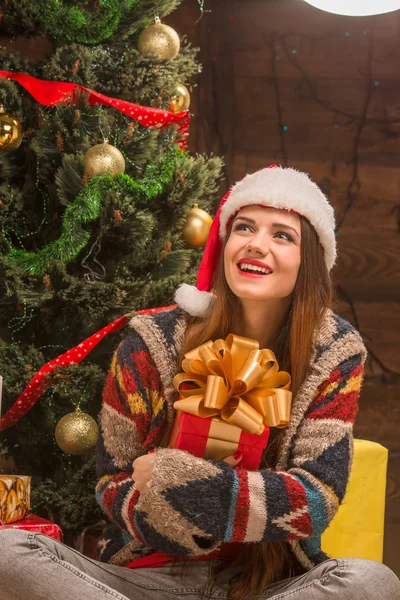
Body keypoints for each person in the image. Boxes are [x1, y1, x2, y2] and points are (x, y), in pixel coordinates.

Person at [0, 165, 399, 600]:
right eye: (244, 227)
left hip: (266, 586)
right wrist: (202, 519)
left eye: (282, 235)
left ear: (309, 263)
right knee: (8, 551)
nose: (256, 244)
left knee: (373, 582)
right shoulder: (151, 342)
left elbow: (317, 498)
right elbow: (112, 482)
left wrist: (181, 480)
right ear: (226, 244)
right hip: (144, 580)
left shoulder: (334, 351)